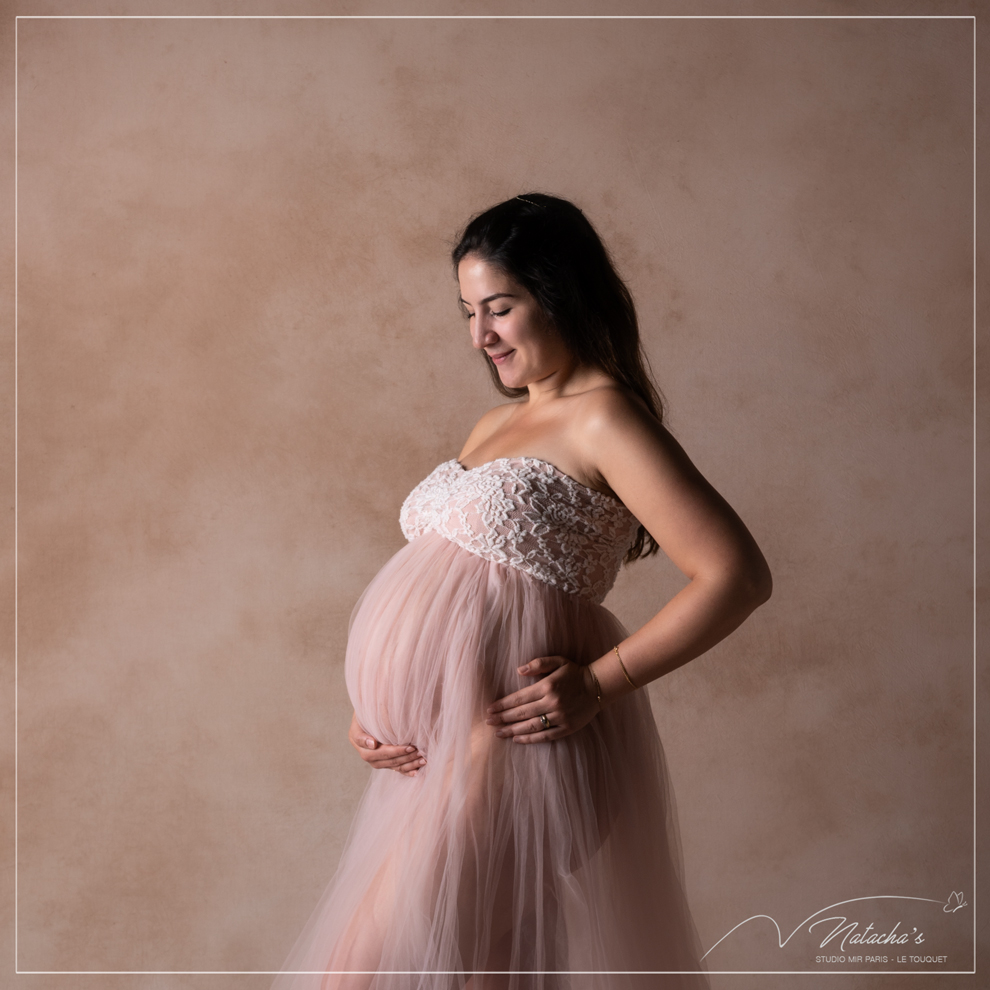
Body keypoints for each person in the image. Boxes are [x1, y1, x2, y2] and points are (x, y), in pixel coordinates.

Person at [271, 193, 772, 990]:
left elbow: (737, 577)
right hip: (432, 760)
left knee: (364, 976)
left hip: (515, 750)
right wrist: (381, 705)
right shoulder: (489, 427)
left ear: (560, 293)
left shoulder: (603, 419)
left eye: (499, 308)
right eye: (468, 312)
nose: (481, 336)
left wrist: (600, 684)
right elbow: (454, 593)